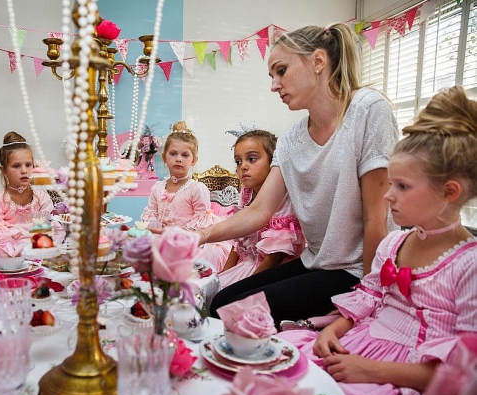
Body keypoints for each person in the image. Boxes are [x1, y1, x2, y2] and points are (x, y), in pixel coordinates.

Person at [280, 85, 477, 395]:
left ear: (449, 192)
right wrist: (336, 331)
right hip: (361, 343)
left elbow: (460, 371)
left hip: (403, 374)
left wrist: (369, 370)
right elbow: (369, 296)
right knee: (285, 367)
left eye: (401, 186)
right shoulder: (392, 245)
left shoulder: (468, 265)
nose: (387, 195)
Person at [205, 23, 398, 325]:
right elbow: (258, 211)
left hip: (358, 270)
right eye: (272, 75)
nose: (274, 84)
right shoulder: (291, 139)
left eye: (281, 71)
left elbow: (377, 217)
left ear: (318, 62)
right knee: (220, 302)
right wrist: (200, 235)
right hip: (316, 263)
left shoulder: (368, 109)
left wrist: (370, 297)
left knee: (230, 315)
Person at [140, 121, 232, 272]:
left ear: (193, 160)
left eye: (185, 155)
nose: (178, 159)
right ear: (164, 157)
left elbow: (202, 224)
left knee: (190, 261)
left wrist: (177, 237)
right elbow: (150, 215)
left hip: (188, 240)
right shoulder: (157, 187)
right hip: (163, 238)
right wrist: (155, 229)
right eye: (173, 153)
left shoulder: (196, 188)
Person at [218, 130, 305, 289]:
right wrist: (222, 274)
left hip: (266, 274)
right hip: (245, 266)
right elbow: (238, 244)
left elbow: (275, 257)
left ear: (273, 162)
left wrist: (243, 287)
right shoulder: (246, 193)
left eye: (252, 159)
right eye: (238, 161)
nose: (243, 166)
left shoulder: (284, 199)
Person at [0, 131, 62, 266]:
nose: (24, 171)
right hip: (4, 246)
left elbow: (45, 230)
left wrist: (20, 233)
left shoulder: (41, 196)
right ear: (4, 170)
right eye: (16, 166)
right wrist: (28, 232)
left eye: (28, 165)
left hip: (35, 244)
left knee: (53, 246)